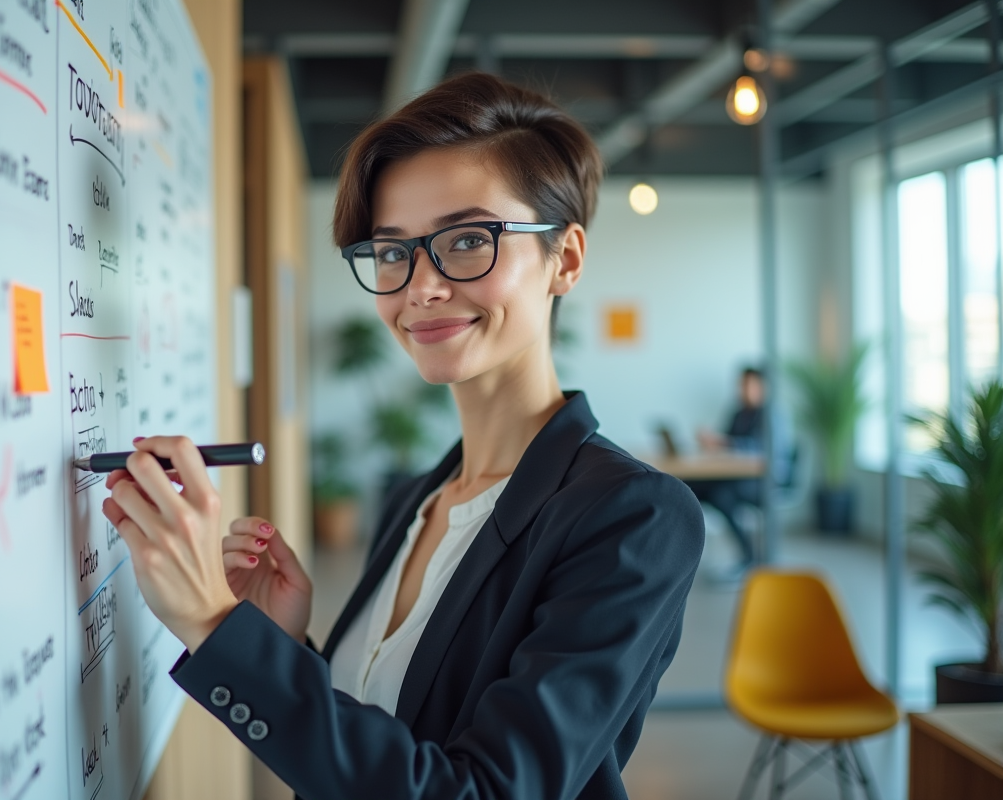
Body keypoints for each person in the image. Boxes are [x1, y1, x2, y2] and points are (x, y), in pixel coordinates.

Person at [101, 73, 704, 799]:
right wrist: (282, 648)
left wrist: (212, 622)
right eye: (393, 252)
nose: (420, 286)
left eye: (469, 240)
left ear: (565, 259)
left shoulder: (632, 517)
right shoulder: (417, 500)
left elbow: (480, 790)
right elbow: (396, 728)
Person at [689, 367, 792, 577]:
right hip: (738, 476)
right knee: (689, 488)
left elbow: (762, 449)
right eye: (741, 384)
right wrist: (713, 443)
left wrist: (724, 442)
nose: (743, 390)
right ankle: (687, 554)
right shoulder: (738, 413)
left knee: (722, 495)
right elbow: (726, 445)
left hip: (765, 481)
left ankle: (749, 556)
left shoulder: (771, 415)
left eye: (749, 385)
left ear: (762, 387)